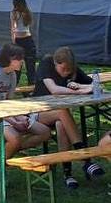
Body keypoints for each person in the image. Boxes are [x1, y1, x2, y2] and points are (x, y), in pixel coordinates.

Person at [33, 46, 105, 186]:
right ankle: (85, 159)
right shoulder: (46, 63)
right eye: (63, 69)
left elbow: (96, 86)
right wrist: (80, 92)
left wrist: (78, 84)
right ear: (56, 63)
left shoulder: (73, 69)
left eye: (69, 70)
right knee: (63, 112)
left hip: (59, 116)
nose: (66, 73)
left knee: (61, 124)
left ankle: (68, 174)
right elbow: (54, 89)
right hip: (37, 111)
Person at [0, 44, 54, 162]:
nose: (22, 61)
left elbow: (9, 103)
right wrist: (14, 122)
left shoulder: (12, 74)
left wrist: (20, 117)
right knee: (15, 139)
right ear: (10, 59)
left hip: (6, 114)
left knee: (45, 132)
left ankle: (11, 150)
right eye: (19, 58)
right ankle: (1, 164)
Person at [10, 0, 36, 84]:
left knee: (20, 65)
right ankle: (29, 84)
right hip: (27, 39)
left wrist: (13, 40)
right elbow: (16, 27)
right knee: (28, 65)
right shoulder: (26, 12)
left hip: (21, 40)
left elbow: (13, 28)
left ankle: (19, 83)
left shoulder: (18, 13)